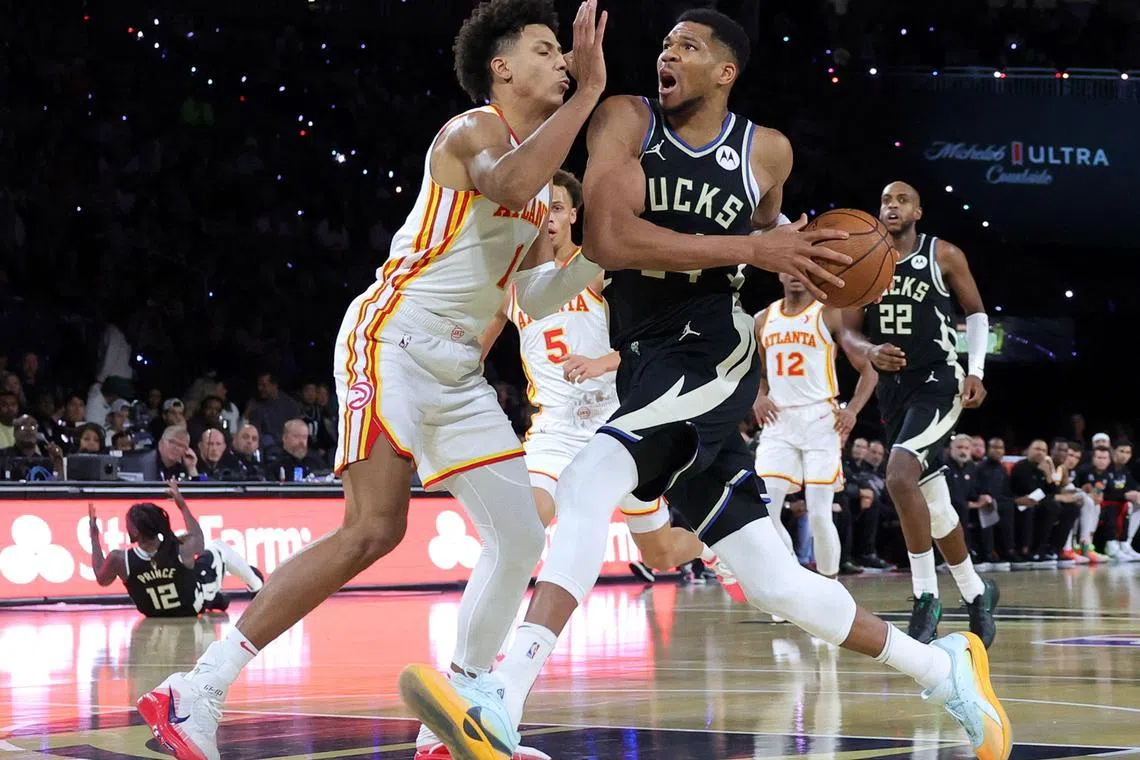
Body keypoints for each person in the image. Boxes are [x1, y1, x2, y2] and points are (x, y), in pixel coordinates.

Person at [398, 11, 1011, 760]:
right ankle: (940, 665)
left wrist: (799, 252)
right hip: (649, 347)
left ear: (725, 71)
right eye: (664, 43)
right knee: (779, 585)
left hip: (710, 349)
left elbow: (770, 234)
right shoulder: (625, 120)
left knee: (591, 479)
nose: (667, 52)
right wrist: (755, 244)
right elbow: (612, 240)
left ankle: (501, 696)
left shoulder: (767, 151)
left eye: (688, 46)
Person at [137, 2, 611, 758]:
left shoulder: (534, 171)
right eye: (546, 50)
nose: (563, 61)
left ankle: (449, 721)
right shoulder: (476, 131)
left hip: (458, 372)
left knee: (520, 537)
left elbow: (525, 295)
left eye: (566, 54)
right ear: (501, 67)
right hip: (392, 340)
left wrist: (606, 253)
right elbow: (514, 179)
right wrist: (588, 95)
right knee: (373, 529)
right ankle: (193, 692)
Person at [480, 168, 741, 600]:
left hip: (616, 423)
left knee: (659, 554)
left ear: (573, 216)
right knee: (523, 527)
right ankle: (495, 649)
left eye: (558, 208)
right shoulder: (509, 287)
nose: (547, 216)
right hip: (555, 432)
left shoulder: (598, 271)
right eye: (541, 207)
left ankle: (711, 544)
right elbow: (473, 354)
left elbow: (656, 339)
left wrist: (603, 362)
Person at [840, 181, 999, 647]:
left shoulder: (943, 254)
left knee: (898, 476)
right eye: (885, 199)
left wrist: (976, 370)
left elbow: (975, 313)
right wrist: (869, 350)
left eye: (901, 199)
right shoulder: (863, 261)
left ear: (918, 210)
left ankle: (926, 593)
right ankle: (976, 591)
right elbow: (848, 333)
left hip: (939, 382)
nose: (891, 205)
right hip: (894, 391)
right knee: (935, 506)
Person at [752, 272, 879, 578]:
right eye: (792, 271)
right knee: (765, 513)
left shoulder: (829, 313)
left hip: (821, 419)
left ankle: (829, 586)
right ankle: (791, 584)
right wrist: (757, 396)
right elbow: (755, 370)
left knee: (820, 514)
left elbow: (870, 368)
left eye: (806, 272)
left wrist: (853, 410)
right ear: (781, 273)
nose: (798, 277)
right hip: (778, 421)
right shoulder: (762, 318)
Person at [88, 479, 264, 617]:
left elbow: (101, 578)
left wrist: (94, 536)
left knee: (194, 575)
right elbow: (200, 543)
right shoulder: (179, 547)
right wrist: (182, 505)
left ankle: (216, 599)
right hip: (191, 607)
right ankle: (257, 587)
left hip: (153, 613)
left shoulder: (119, 559)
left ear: (134, 533)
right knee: (218, 547)